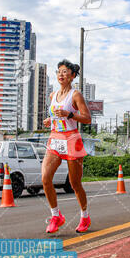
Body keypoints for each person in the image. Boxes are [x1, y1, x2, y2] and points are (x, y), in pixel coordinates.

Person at [42, 59, 92, 234]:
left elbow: (87, 118)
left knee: (75, 183)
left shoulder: (75, 95)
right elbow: (56, 117)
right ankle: (56, 216)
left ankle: (85, 216)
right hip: (55, 139)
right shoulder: (52, 95)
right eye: (59, 72)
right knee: (45, 178)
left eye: (65, 72)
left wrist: (69, 114)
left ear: (72, 76)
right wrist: (51, 120)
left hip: (72, 140)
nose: (61, 75)